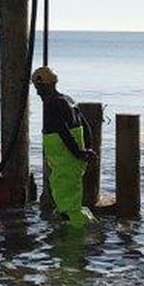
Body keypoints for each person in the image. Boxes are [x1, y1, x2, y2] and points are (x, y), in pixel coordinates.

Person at [33, 65, 89, 227]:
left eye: (38, 88)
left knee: (67, 204)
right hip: (74, 162)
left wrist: (77, 152)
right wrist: (86, 150)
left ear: (45, 85)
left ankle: (72, 240)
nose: (37, 92)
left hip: (65, 160)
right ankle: (81, 227)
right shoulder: (69, 100)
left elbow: (62, 131)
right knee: (72, 197)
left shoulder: (52, 104)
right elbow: (85, 126)